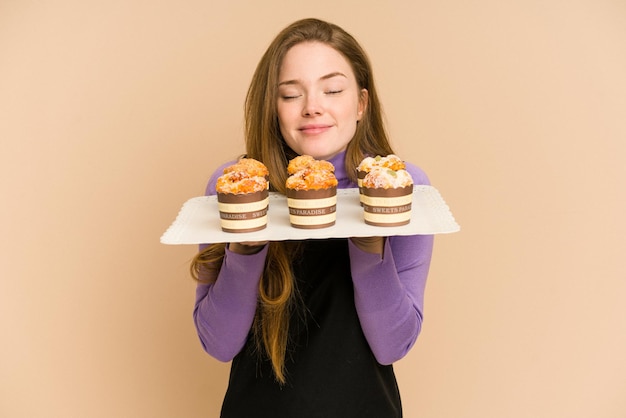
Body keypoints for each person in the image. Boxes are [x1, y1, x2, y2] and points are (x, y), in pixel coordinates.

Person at [190, 18, 434, 417]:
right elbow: (218, 344)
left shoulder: (399, 189)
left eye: (333, 89)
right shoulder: (237, 187)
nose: (312, 106)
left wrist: (369, 239)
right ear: (273, 107)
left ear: (361, 103)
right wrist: (247, 243)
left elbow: (393, 345)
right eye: (290, 94)